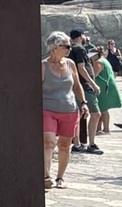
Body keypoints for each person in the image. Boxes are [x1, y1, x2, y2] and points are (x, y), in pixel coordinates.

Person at [43, 31, 86, 187]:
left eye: (70, 46)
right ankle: (46, 176)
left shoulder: (70, 64)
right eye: (66, 46)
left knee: (64, 145)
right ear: (54, 47)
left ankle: (60, 178)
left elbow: (77, 86)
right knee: (48, 141)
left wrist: (84, 102)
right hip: (47, 109)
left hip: (69, 110)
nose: (70, 49)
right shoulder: (43, 66)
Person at [69, 30, 101, 152]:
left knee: (77, 114)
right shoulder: (80, 49)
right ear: (80, 36)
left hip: (75, 86)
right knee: (96, 113)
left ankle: (77, 144)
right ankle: (91, 144)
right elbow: (81, 68)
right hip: (85, 86)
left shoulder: (70, 49)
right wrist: (93, 84)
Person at [92, 48, 119, 140]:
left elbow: (94, 75)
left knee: (102, 109)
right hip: (105, 86)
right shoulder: (104, 60)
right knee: (102, 108)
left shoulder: (98, 62)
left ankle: (105, 129)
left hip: (102, 87)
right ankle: (99, 128)